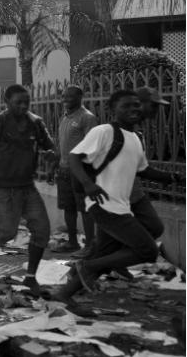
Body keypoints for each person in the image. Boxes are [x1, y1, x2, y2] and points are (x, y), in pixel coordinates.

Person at [53, 89, 179, 306]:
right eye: (125, 106)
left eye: (136, 105)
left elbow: (144, 170)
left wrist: (175, 178)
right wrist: (88, 184)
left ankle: (65, 293)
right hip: (104, 205)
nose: (133, 110)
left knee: (104, 253)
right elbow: (74, 157)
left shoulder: (135, 138)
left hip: (120, 206)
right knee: (148, 250)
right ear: (113, 110)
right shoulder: (104, 131)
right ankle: (87, 268)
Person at [0, 84, 57, 297]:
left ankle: (31, 277)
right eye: (19, 102)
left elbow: (49, 146)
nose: (24, 106)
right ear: (7, 102)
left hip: (28, 187)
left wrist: (52, 154)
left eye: (27, 102)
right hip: (3, 189)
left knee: (42, 231)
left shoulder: (36, 123)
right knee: (7, 233)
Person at [53, 86, 98, 256]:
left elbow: (92, 146)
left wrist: (83, 171)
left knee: (85, 209)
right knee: (68, 207)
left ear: (80, 97)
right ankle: (72, 242)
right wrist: (55, 165)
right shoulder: (64, 117)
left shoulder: (87, 118)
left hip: (80, 171)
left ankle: (90, 245)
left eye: (70, 97)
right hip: (64, 170)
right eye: (64, 96)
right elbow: (62, 144)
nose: (66, 99)